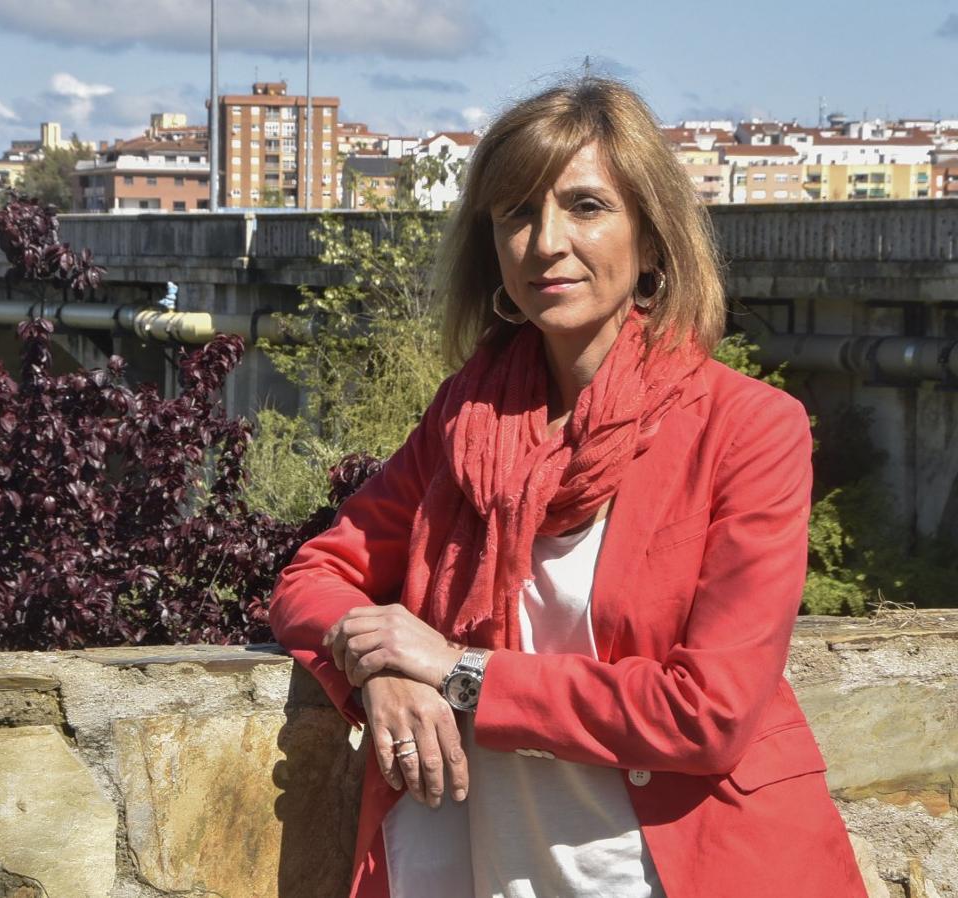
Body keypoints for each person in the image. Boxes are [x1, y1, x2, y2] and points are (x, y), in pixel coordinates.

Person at [268, 77, 867, 898]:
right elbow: (313, 579)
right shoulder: (466, 421)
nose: (546, 241)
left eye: (586, 207)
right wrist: (380, 671)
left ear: (652, 242)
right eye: (517, 214)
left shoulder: (749, 428)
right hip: (485, 869)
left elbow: (709, 712)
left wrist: (457, 671)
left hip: (679, 870)